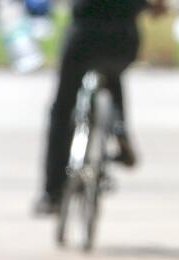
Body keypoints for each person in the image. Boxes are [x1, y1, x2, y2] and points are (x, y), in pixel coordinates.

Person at [34, 0, 163, 216]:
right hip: (124, 39)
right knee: (112, 75)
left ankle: (53, 193)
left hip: (84, 36)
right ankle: (120, 129)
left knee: (62, 109)